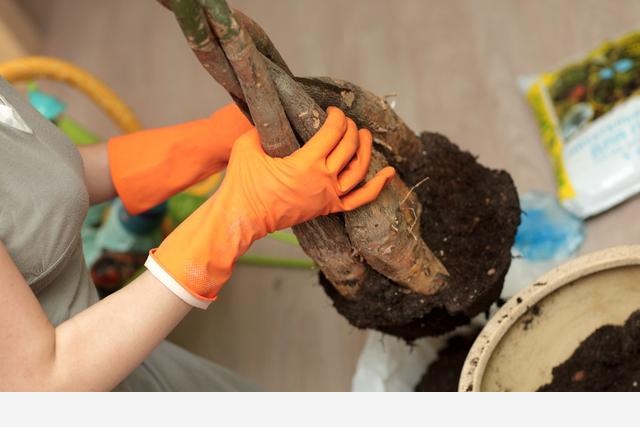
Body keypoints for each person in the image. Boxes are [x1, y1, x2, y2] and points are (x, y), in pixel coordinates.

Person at [0, 78, 395, 391]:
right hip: (79, 378)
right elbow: (42, 384)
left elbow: (35, 189)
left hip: (118, 349)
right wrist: (240, 214)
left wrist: (205, 142)